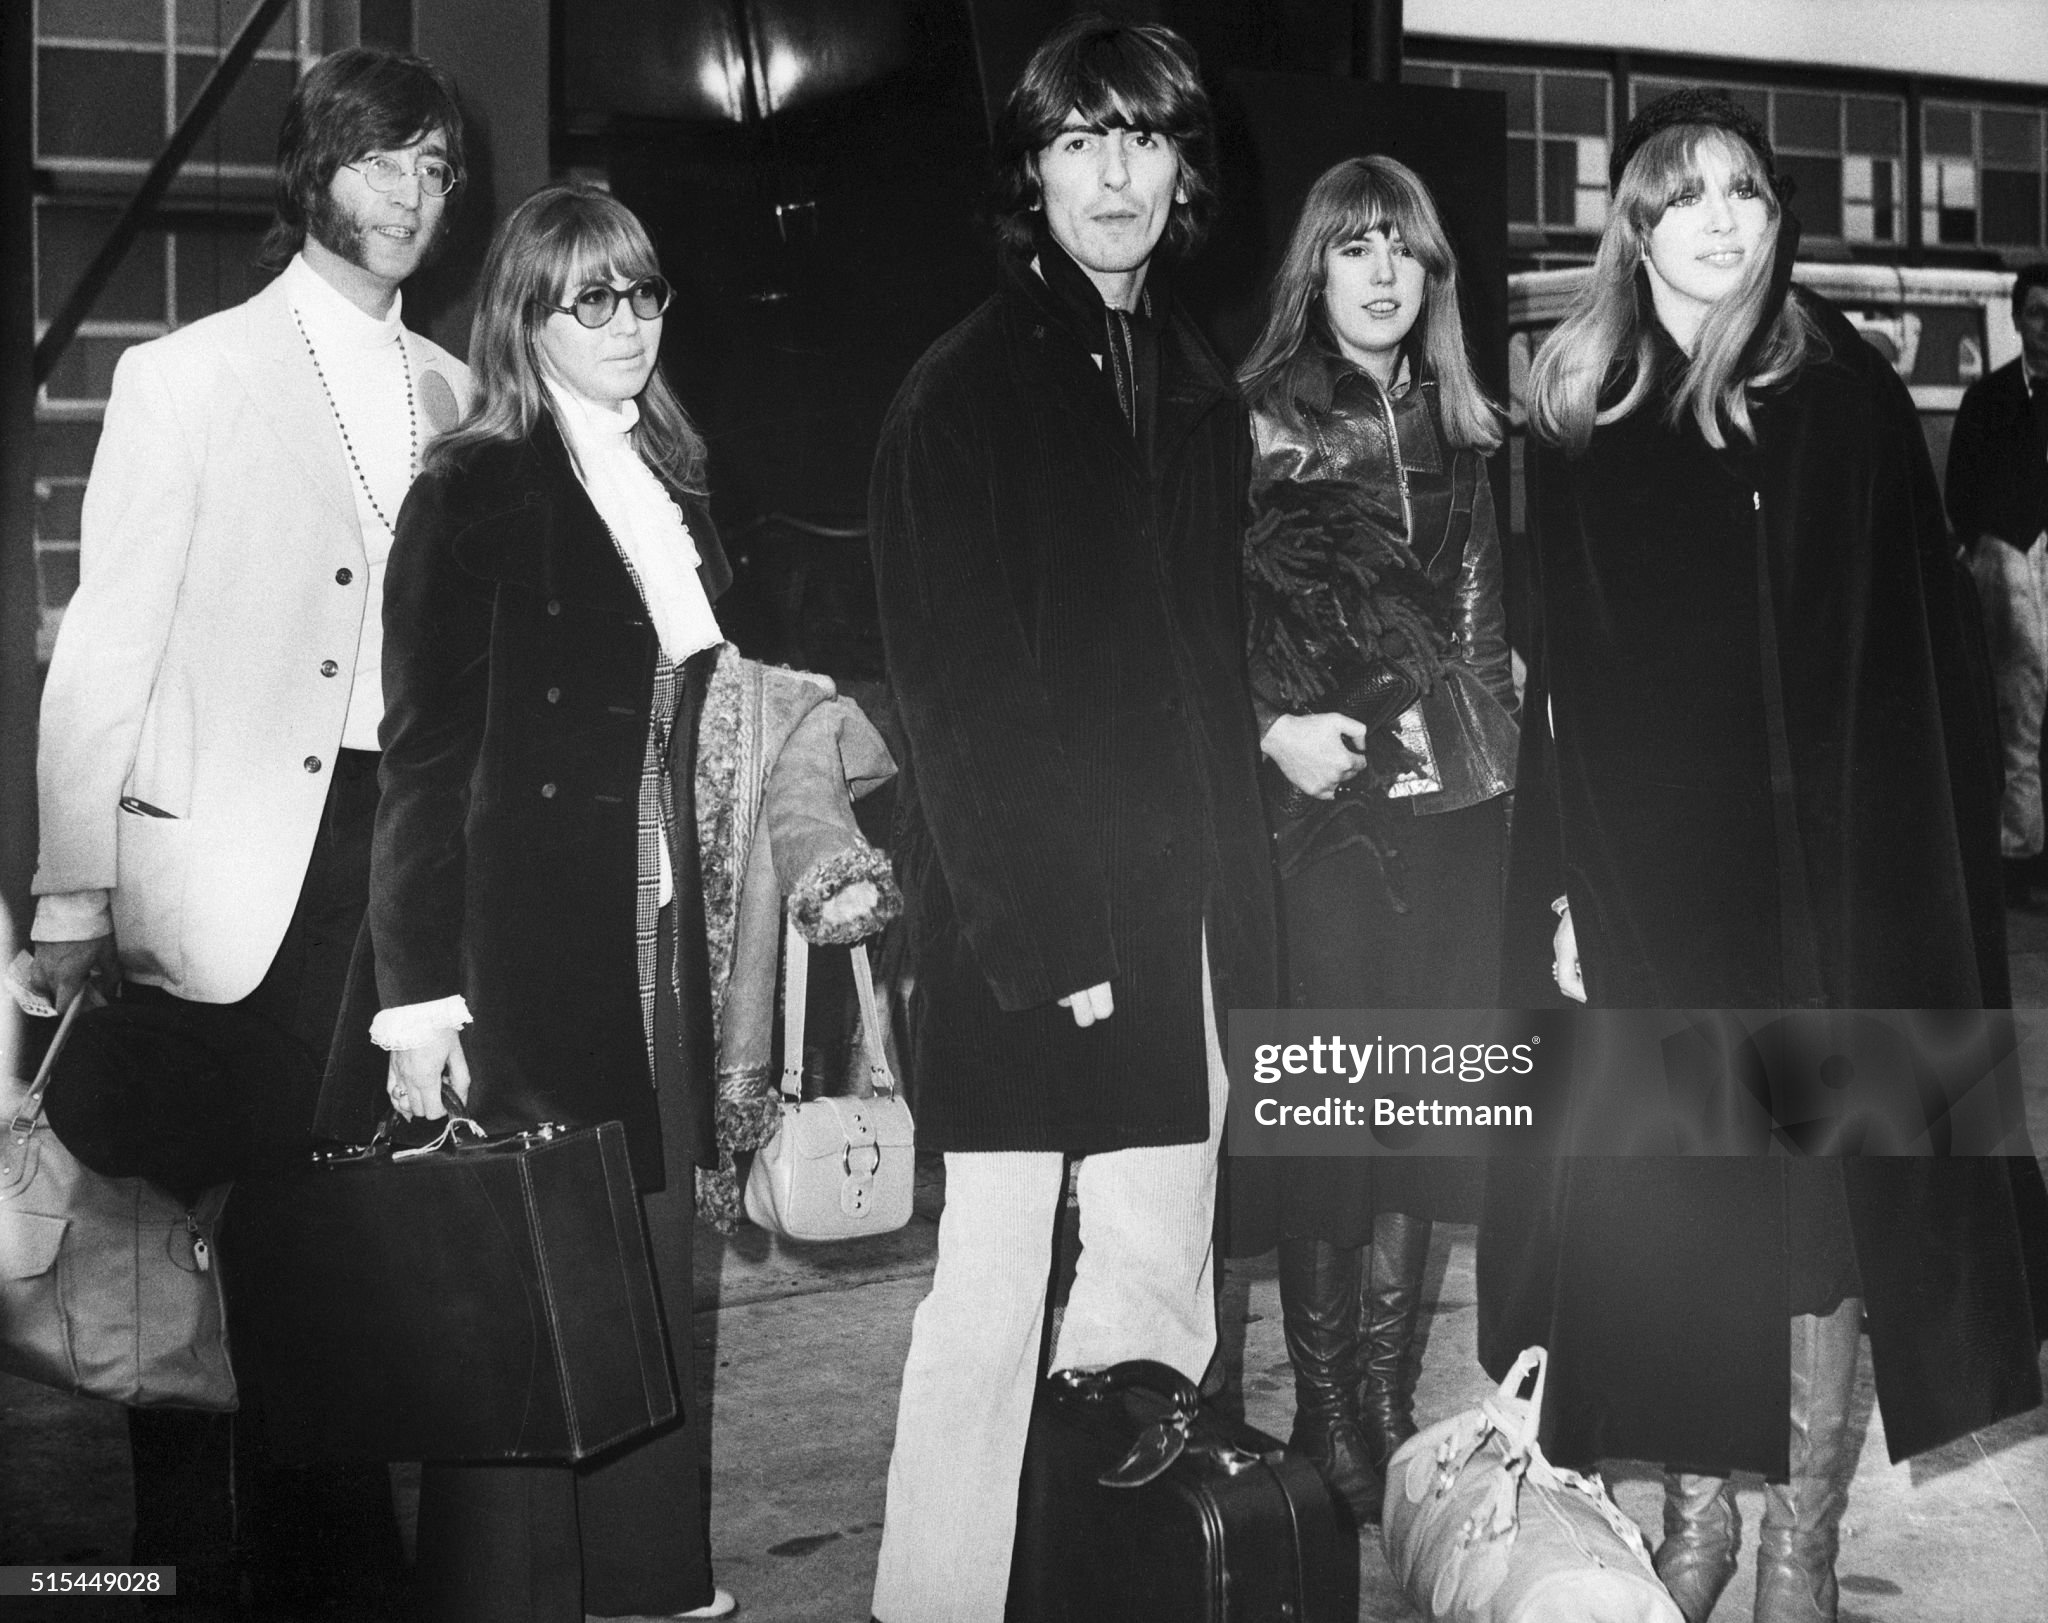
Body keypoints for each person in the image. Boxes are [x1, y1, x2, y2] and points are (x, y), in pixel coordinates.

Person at [1486, 88, 2046, 1623]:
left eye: (1747, 190)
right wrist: (1562, 893)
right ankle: (1693, 1513)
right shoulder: (1582, 405)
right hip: (1657, 896)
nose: (1723, 219)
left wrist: (1909, 899)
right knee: (1676, 1206)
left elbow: (1922, 664)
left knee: (1811, 1222)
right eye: (1686, 194)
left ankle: (1797, 1534)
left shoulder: (1842, 392)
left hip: (1826, 895)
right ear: (1636, 223)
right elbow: (1566, 697)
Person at [316, 181, 897, 1623]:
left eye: (646, 295)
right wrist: (418, 1004)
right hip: (531, 956)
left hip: (672, 950)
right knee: (533, 1318)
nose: (630, 325)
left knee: (643, 1286)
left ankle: (649, 1589)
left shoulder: (672, 475)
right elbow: (426, 763)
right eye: (595, 300)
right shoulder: (474, 489)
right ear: (526, 317)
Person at [22, 46, 469, 1612]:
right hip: (223, 873)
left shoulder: (458, 392)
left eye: (432, 167)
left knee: (331, 1224)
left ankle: (323, 1565)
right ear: (310, 174)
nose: (410, 193)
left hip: (390, 854)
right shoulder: (184, 375)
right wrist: (71, 888)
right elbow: (106, 648)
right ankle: (198, 1568)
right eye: (378, 160)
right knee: (187, 1232)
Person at [865, 17, 1276, 1622]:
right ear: (1030, 174)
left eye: (1144, 140)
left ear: (1185, 172)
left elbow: (1196, 668)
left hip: (1178, 919)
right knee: (987, 1291)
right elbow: (954, 696)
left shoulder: (1189, 382)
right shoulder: (957, 396)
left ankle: (1118, 1590)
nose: (1115, 174)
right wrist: (1046, 939)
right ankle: (934, 1598)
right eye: (1079, 142)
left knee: (1156, 1300)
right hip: (1030, 925)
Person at [1226, 154, 1515, 1525]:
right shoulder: (1259, 415)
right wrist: (1274, 728)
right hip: (1309, 812)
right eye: (1355, 248)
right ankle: (1328, 1402)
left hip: (1444, 812)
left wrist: (1466, 771)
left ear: (1434, 272)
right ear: (1317, 269)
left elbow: (1481, 626)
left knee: (1423, 1108)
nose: (1383, 272)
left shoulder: (1463, 417)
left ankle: (1391, 1400)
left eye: (1404, 248)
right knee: (1331, 1106)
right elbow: (1203, 620)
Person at [1947, 262, 2048, 905]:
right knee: (2019, 712)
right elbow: (1961, 488)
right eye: (2039, 312)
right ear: (2016, 319)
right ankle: (2019, 857)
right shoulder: (1988, 400)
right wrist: (1998, 547)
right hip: (2010, 564)